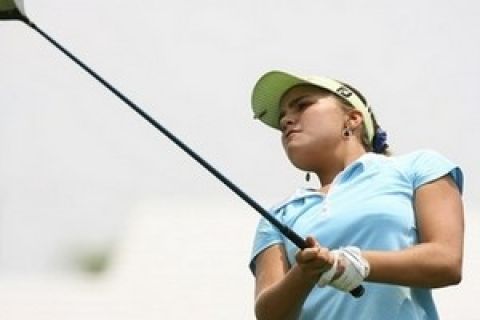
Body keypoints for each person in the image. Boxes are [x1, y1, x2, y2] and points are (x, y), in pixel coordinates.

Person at [248, 70, 464, 320]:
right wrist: (305, 273)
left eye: (302, 105)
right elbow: (269, 315)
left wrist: (354, 262)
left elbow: (446, 261)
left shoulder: (419, 167)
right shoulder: (279, 215)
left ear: (352, 118)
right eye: (283, 116)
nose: (286, 120)